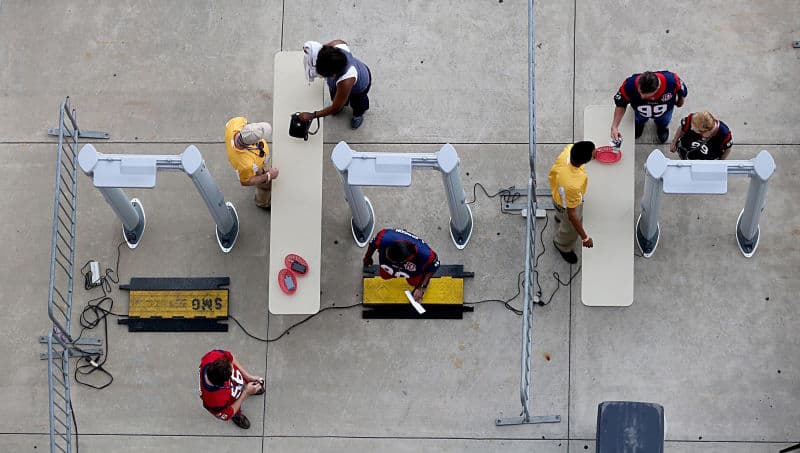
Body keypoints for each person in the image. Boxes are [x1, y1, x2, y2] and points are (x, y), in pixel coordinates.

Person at [298, 39, 372, 129]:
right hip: (338, 84)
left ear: (333, 75)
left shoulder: (345, 81)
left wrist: (312, 115)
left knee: (358, 103)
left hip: (359, 87)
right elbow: (325, 50)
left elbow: (335, 108)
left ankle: (358, 115)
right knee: (337, 98)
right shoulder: (336, 45)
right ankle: (343, 104)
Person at [548, 141, 596, 264]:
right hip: (566, 206)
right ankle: (562, 245)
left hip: (557, 194)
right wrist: (585, 238)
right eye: (593, 153)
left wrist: (591, 153)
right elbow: (572, 214)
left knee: (561, 213)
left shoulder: (569, 150)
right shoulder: (572, 185)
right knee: (571, 228)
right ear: (584, 161)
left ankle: (559, 218)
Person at [610, 70, 688, 144]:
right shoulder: (629, 85)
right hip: (640, 113)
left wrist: (681, 101)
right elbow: (621, 104)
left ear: (657, 88)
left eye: (647, 95)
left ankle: (662, 128)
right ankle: (640, 125)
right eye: (640, 92)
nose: (641, 96)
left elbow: (682, 91)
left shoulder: (672, 81)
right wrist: (614, 126)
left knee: (664, 121)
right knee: (639, 120)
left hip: (664, 112)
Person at [362, 229, 440, 302]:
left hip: (413, 270)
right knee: (384, 275)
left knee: (414, 283)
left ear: (404, 261)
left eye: (390, 259)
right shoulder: (384, 237)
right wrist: (367, 257)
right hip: (390, 266)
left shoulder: (427, 255)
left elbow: (433, 267)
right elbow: (373, 244)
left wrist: (422, 287)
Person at [198, 349, 265, 430]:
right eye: (232, 370)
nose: (233, 366)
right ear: (225, 382)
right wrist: (246, 392)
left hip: (233, 384)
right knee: (234, 408)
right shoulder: (214, 401)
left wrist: (248, 376)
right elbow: (227, 413)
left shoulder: (212, 356)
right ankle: (237, 416)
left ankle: (248, 385)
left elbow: (230, 357)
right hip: (230, 400)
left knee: (243, 380)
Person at [225, 118, 280, 209]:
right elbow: (245, 181)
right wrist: (268, 175)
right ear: (253, 143)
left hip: (261, 159)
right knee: (265, 187)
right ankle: (262, 203)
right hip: (259, 168)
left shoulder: (235, 123)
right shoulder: (244, 165)